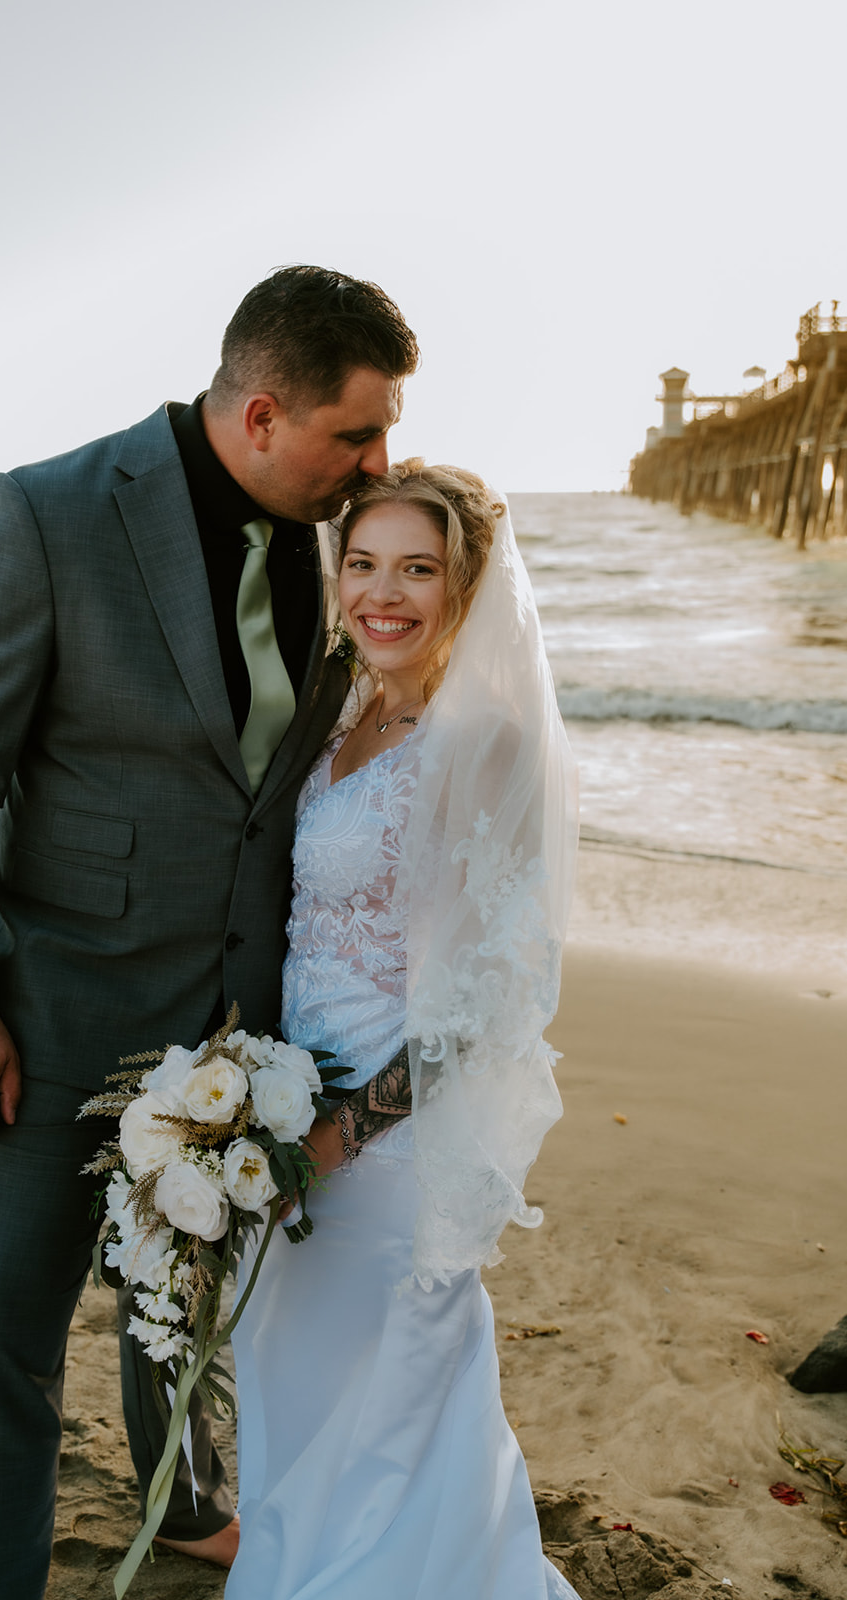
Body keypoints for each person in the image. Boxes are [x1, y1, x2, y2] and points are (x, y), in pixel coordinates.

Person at [0, 265, 419, 1600]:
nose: (379, 460)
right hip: (52, 1015)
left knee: (176, 1297)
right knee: (9, 1334)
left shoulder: (341, 537)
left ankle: (180, 1501)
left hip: (246, 1019)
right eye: (355, 432)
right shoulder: (49, 512)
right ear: (259, 415)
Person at [226, 461, 582, 1599]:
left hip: (384, 1145)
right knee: (292, 1383)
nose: (383, 593)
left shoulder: (484, 746)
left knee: (392, 1407)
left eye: (417, 569)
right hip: (285, 1104)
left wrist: (331, 1139)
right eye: (364, 564)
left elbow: (477, 1003)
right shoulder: (342, 708)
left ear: (466, 585)